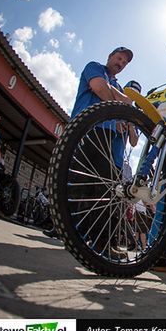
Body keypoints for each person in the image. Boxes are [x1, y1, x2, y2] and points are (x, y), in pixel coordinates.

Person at [68, 46, 134, 260]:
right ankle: (71, 234)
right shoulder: (94, 67)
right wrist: (117, 97)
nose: (120, 63)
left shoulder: (116, 84)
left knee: (104, 193)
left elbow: (127, 104)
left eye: (124, 62)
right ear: (110, 56)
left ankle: (101, 243)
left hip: (104, 137)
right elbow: (100, 89)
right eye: (119, 58)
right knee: (77, 186)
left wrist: (114, 93)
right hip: (83, 129)